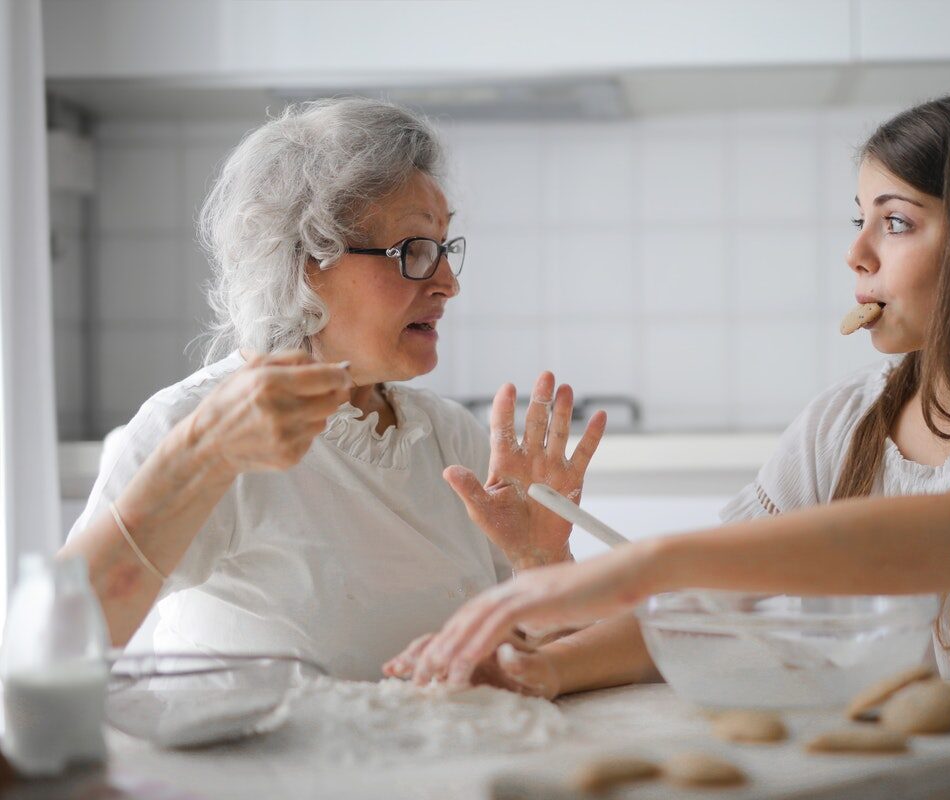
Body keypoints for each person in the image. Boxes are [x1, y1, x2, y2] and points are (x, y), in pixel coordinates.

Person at [389, 89, 950, 693]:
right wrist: (543, 668)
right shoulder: (844, 423)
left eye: (895, 221)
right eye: (858, 218)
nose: (855, 254)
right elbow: (713, 606)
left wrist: (652, 558)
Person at [59, 98, 605, 680]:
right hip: (261, 772)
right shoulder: (195, 424)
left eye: (445, 249)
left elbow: (536, 667)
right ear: (303, 262)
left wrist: (541, 560)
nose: (448, 283)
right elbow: (60, 640)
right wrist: (199, 457)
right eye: (413, 251)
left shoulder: (449, 438)